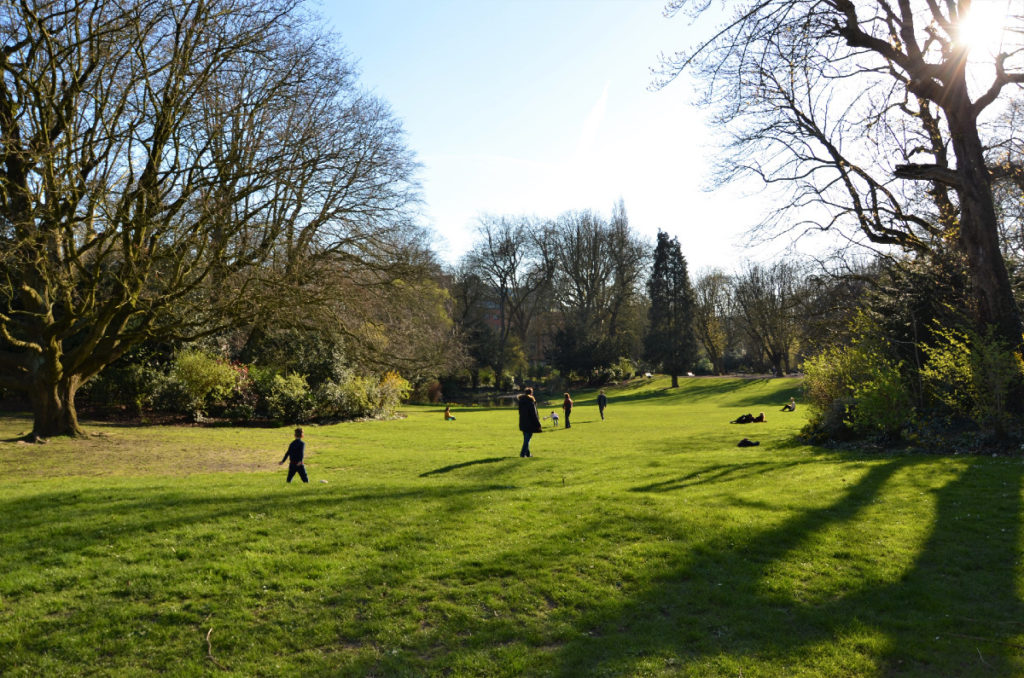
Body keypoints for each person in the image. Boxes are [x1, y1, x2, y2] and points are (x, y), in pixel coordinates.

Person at [518, 387, 542, 457]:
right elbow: (534, 414)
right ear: (531, 393)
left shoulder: (521, 401)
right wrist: (538, 424)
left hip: (522, 422)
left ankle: (528, 454)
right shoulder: (531, 402)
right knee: (528, 439)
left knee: (526, 438)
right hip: (530, 423)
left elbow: (520, 412)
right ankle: (522, 453)